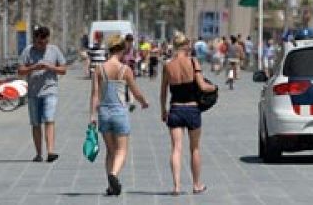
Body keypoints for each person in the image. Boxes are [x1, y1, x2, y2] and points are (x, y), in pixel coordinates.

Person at [89, 34, 149, 196]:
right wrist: (144, 102)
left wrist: (92, 116)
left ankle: (110, 186)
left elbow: (95, 94)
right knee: (122, 150)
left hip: (104, 113)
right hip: (119, 113)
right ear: (122, 50)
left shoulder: (99, 69)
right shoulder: (125, 69)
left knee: (110, 151)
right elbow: (136, 92)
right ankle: (114, 175)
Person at [160, 31, 217, 196]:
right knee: (195, 149)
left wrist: (163, 110)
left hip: (175, 108)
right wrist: (214, 88)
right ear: (185, 46)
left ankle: (176, 186)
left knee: (176, 148)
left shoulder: (167, 65)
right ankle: (197, 184)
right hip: (192, 109)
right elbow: (202, 86)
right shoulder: (193, 62)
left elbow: (163, 92)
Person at [18, 26, 67, 162]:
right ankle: (39, 153)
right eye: (39, 42)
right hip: (33, 92)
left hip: (50, 90)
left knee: (49, 119)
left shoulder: (54, 50)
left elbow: (63, 69)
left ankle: (50, 151)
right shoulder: (28, 51)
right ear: (35, 39)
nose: (42, 45)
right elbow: (20, 70)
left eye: (45, 42)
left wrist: (51, 67)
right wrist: (33, 67)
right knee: (36, 123)